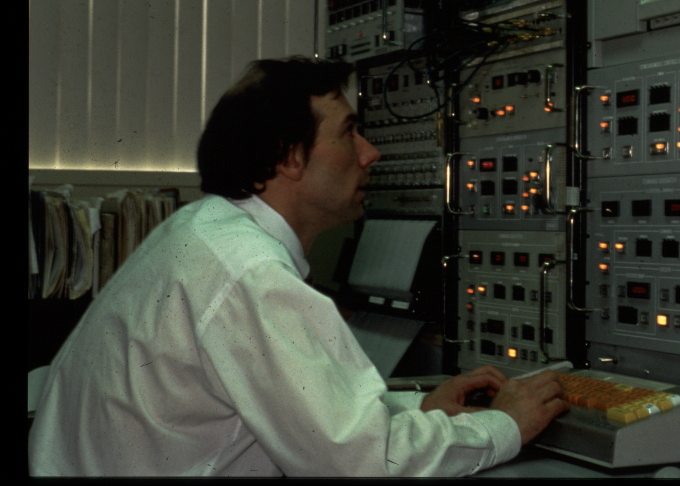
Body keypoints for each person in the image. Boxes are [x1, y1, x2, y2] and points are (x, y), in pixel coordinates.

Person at [28, 56, 567, 477]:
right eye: (348, 132)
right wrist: (506, 425)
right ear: (289, 158)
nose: (370, 153)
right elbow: (360, 464)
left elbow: (303, 415)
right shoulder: (251, 274)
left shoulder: (202, 231)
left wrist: (417, 408)